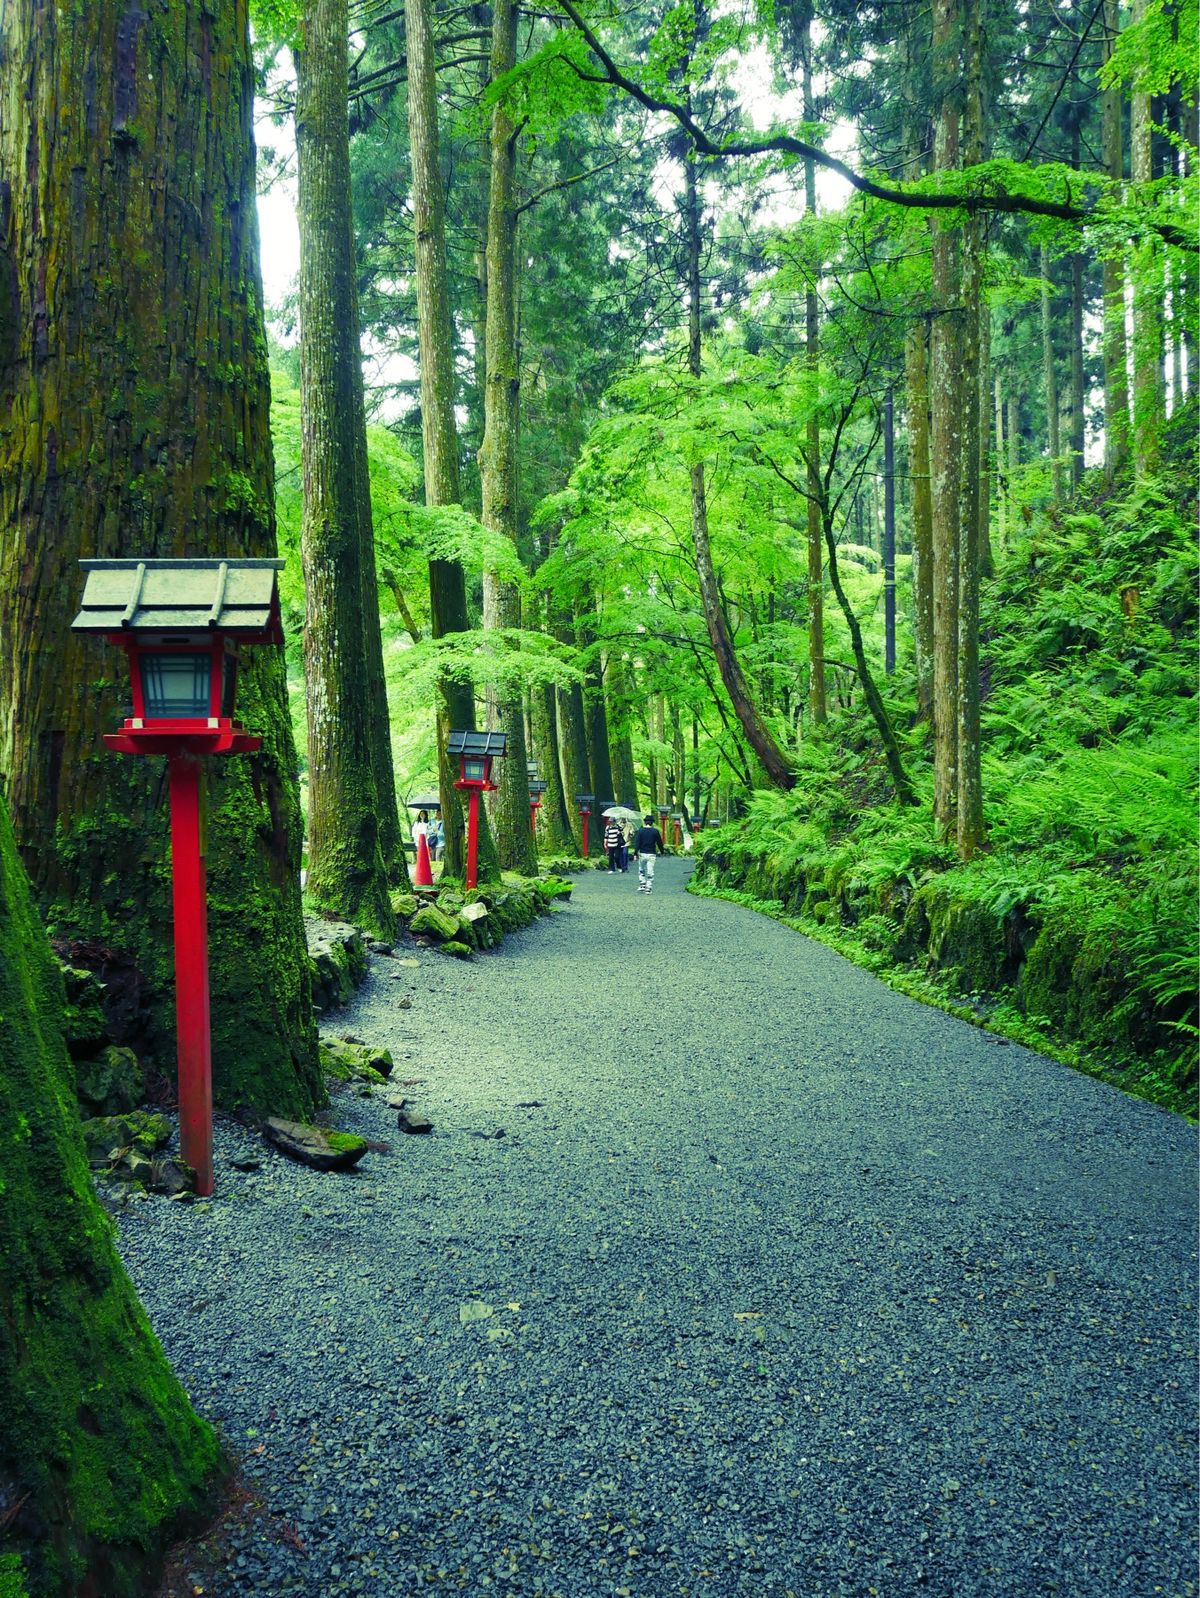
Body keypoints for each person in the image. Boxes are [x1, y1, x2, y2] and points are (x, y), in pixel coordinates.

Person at [633, 813, 665, 893]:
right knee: (650, 871)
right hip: (652, 854)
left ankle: (642, 885)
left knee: (641, 870)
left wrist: (635, 853)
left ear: (645, 822)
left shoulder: (640, 831)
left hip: (642, 854)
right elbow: (659, 843)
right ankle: (649, 887)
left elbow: (637, 843)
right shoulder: (655, 831)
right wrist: (662, 851)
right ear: (652, 822)